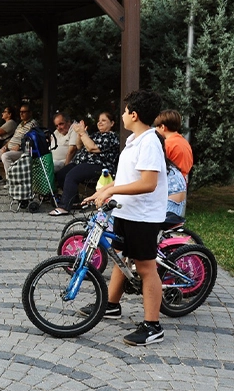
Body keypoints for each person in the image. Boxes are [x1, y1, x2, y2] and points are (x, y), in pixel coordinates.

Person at [79, 90, 167, 346]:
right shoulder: (134, 141)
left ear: (135, 115)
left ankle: (153, 326)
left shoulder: (150, 141)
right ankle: (111, 304)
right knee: (119, 256)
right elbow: (126, 179)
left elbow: (149, 183)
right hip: (126, 212)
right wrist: (104, 190)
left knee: (146, 267)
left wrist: (113, 189)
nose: (122, 115)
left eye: (125, 111)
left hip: (143, 216)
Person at [49, 112, 120, 216]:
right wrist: (80, 134)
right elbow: (79, 146)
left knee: (72, 175)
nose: (100, 123)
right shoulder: (96, 135)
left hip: (100, 166)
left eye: (104, 121)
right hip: (83, 163)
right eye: (99, 121)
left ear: (112, 123)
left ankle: (64, 207)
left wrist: (82, 133)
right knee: (62, 174)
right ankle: (75, 201)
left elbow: (92, 148)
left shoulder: (111, 137)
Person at [0, 104, 39, 187]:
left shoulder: (33, 124)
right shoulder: (20, 124)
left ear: (30, 113)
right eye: (20, 112)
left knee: (5, 156)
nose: (21, 114)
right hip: (10, 149)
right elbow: (13, 138)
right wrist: (5, 146)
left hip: (22, 150)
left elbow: (32, 139)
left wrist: (20, 146)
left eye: (24, 112)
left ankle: (12, 180)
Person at [154, 109, 193, 180]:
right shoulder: (185, 143)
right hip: (182, 182)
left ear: (162, 127)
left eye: (156, 126)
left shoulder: (167, 144)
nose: (155, 129)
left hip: (170, 182)